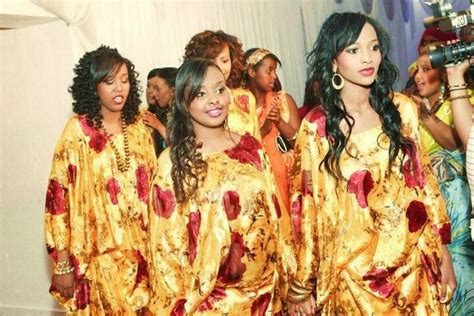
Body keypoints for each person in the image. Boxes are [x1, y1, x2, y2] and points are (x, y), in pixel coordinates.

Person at [287, 12, 456, 315]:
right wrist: (301, 285)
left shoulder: (401, 109)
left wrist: (443, 251)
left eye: (373, 47)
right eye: (353, 50)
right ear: (333, 61)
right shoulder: (316, 128)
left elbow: (425, 183)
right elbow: (308, 210)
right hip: (354, 280)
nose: (368, 58)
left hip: (416, 269)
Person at [147, 58, 294, 314]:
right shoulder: (172, 163)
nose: (214, 99)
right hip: (209, 305)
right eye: (201, 93)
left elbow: (276, 217)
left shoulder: (251, 147)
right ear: (183, 101)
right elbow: (165, 251)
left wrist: (293, 283)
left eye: (220, 89)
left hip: (267, 299)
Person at [44, 46, 155, 314]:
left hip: (144, 260)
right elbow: (58, 201)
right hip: (99, 264)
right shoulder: (77, 131)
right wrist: (62, 264)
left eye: (125, 80)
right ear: (93, 87)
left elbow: (156, 191)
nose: (120, 88)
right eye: (110, 81)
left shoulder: (139, 128)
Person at [410, 49, 474, 316]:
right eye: (417, 70)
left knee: (459, 260)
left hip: (458, 199)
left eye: (427, 69)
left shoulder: (461, 101)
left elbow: (455, 141)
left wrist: (422, 115)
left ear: (445, 74)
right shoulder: (410, 107)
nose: (419, 76)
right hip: (429, 202)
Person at [243, 48, 301, 210]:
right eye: (269, 71)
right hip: (258, 179)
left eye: (275, 71)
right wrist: (265, 128)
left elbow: (300, 142)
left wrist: (279, 122)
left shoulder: (282, 100)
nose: (274, 76)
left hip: (287, 177)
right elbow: (240, 147)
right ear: (252, 72)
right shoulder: (240, 108)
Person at [183, 30, 260, 139]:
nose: (219, 68)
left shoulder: (246, 98)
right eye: (212, 62)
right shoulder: (193, 101)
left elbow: (257, 140)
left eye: (224, 61)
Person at [143, 67, 178, 156]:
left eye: (157, 89)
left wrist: (158, 126)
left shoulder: (185, 114)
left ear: (173, 91)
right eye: (149, 87)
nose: (153, 94)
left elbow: (179, 146)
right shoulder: (163, 113)